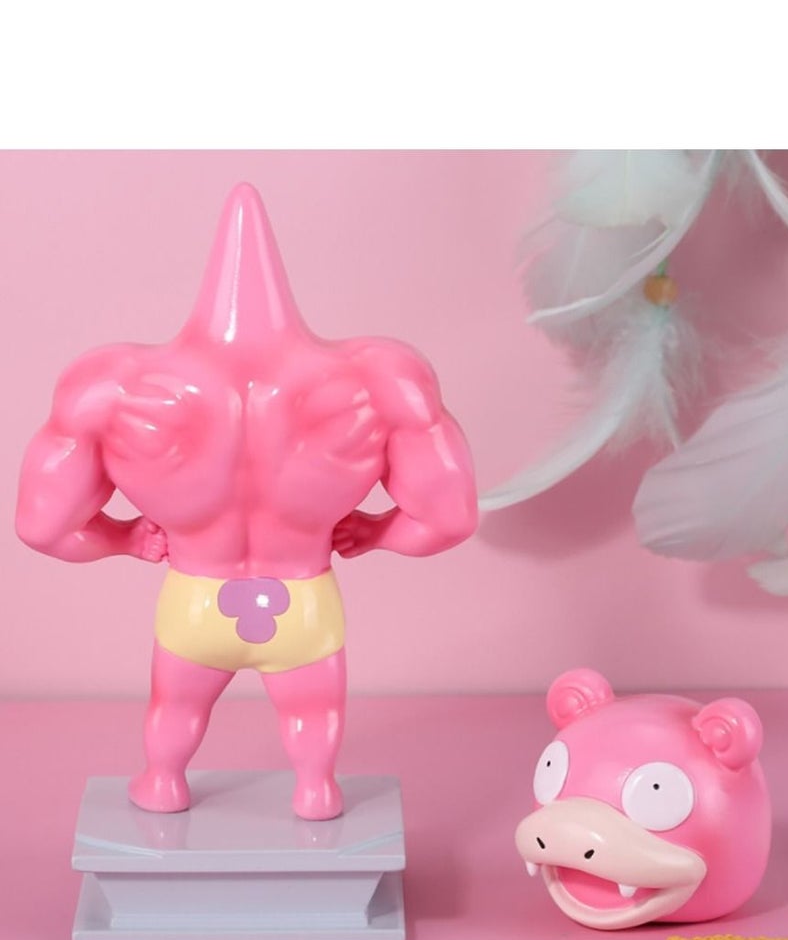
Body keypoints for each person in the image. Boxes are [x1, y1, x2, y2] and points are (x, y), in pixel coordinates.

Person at [15, 183, 478, 820]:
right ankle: (316, 791)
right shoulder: (374, 378)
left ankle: (161, 783)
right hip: (304, 603)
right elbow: (450, 518)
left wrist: (123, 538)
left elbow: (42, 528)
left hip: (196, 602)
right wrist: (376, 532)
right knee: (313, 708)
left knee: (175, 706)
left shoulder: (119, 385)